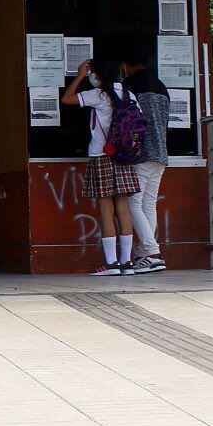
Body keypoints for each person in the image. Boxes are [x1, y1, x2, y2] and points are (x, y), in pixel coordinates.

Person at [61, 58, 141, 276]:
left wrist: (78, 77)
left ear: (99, 75)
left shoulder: (99, 94)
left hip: (102, 154)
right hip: (124, 156)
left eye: (91, 72)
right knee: (123, 209)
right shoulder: (129, 94)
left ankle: (111, 263)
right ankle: (126, 263)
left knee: (106, 209)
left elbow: (66, 99)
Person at [121, 48, 169, 273]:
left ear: (128, 66)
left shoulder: (130, 86)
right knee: (149, 205)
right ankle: (144, 255)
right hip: (160, 153)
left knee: (133, 203)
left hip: (140, 153)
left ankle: (151, 252)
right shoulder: (161, 86)